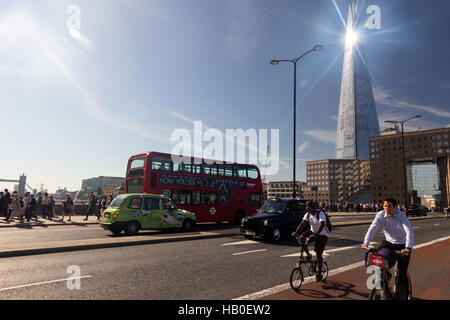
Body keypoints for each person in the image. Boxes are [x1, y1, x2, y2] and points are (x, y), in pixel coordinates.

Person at [361, 198, 414, 300]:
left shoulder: (401, 215)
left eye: (389, 206)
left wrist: (408, 247)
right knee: (378, 262)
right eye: (385, 206)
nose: (386, 208)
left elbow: (409, 231)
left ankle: (403, 296)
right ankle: (385, 276)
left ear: (395, 207)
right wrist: (366, 242)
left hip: (402, 245)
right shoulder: (380, 215)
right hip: (388, 243)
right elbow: (373, 228)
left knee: (401, 274)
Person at [291, 201, 329, 282]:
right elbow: (302, 223)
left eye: (307, 206)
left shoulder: (320, 214)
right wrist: (296, 232)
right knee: (302, 238)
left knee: (318, 253)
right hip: (313, 232)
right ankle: (308, 255)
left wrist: (316, 234)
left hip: (322, 234)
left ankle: (319, 273)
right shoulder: (308, 214)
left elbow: (321, 225)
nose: (306, 208)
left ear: (312, 207)